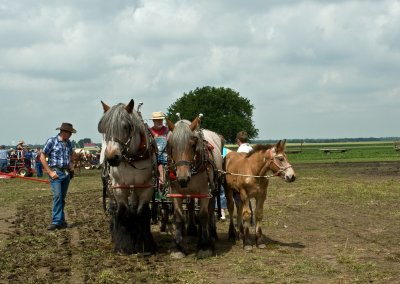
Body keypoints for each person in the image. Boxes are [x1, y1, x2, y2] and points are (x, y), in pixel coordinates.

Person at [40, 122, 76, 230]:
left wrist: (71, 165)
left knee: (62, 198)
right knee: (58, 196)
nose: (70, 135)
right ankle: (56, 221)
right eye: (69, 133)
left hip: (66, 173)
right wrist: (50, 172)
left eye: (71, 133)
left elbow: (70, 155)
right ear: (63, 132)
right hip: (56, 172)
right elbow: (42, 156)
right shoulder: (52, 141)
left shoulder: (68, 143)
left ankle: (61, 221)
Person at [235, 130, 254, 225]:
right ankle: (251, 219)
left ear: (238, 140)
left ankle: (244, 219)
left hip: (244, 177)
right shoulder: (251, 148)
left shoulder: (240, 150)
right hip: (253, 177)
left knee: (241, 198)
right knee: (248, 199)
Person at [149, 111, 169, 186]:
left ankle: (163, 183)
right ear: (153, 121)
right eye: (157, 120)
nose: (160, 121)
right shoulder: (149, 131)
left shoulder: (167, 130)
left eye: (161, 120)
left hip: (165, 156)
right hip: (153, 156)